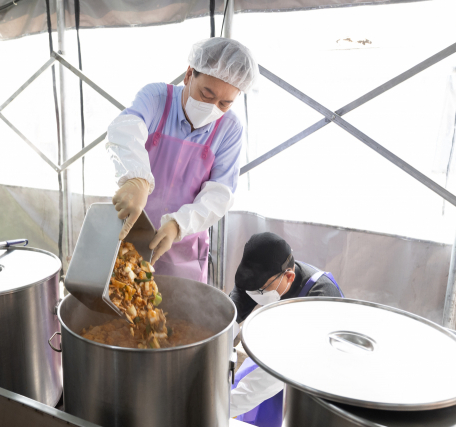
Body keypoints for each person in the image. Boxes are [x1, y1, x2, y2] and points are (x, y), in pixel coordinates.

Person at [106, 37, 258, 283]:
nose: (213, 108)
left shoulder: (230, 129)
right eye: (206, 95)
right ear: (189, 75)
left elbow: (220, 193)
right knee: (122, 302)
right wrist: (136, 180)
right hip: (132, 232)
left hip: (184, 248)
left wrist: (178, 225)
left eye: (224, 103)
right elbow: (126, 128)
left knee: (178, 314)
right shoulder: (157, 98)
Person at [229, 232, 343, 427]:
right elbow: (227, 323)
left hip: (313, 372)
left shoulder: (322, 298)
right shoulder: (257, 281)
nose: (252, 294)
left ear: (289, 276)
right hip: (273, 355)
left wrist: (221, 406)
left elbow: (283, 369)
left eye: (260, 291)